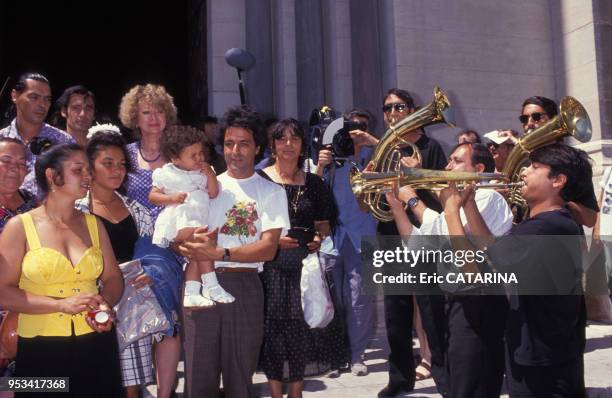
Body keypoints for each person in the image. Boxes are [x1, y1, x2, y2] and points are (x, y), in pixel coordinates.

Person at [441, 143, 592, 397]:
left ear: (558, 181)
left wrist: (450, 211)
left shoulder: (546, 227)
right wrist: (468, 205)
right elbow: (493, 247)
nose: (523, 172)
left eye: (534, 167)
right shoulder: (552, 223)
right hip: (543, 352)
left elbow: (478, 271)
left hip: (542, 362)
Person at [179, 106, 290, 398]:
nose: (235, 151)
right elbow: (178, 226)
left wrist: (219, 252)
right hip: (199, 285)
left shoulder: (271, 192)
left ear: (257, 148)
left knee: (239, 378)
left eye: (243, 143)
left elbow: (267, 249)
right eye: (229, 143)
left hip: (244, 285)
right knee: (198, 376)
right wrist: (183, 245)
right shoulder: (202, 184)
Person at [387, 143, 513, 398]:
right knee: (454, 377)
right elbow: (418, 243)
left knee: (472, 379)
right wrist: (397, 204)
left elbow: (461, 246)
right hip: (453, 298)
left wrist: (414, 198)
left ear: (477, 169)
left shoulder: (488, 196)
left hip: (479, 300)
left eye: (456, 161)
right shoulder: (452, 204)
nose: (447, 167)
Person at [0, 142, 124, 397]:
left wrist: (105, 304)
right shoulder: (19, 226)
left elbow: (113, 278)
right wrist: (60, 304)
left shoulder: (94, 224)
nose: (88, 176)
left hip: (97, 341)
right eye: (79, 170)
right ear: (52, 175)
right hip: (41, 347)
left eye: (89, 170)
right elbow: (2, 293)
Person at [259, 118, 348, 398]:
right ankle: (275, 393)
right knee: (273, 333)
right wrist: (271, 242)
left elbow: (323, 222)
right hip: (269, 265)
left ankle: (295, 393)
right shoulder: (259, 180)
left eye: (294, 139)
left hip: (304, 265)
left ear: (302, 146)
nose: (288, 145)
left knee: (300, 331)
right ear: (272, 145)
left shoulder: (315, 183)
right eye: (281, 139)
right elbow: (249, 222)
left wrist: (319, 238)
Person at [74, 126, 158, 398]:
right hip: (89, 302)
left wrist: (151, 273)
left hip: (133, 303)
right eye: (107, 163)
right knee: (93, 378)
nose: (116, 170)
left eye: (121, 164)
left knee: (131, 386)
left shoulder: (137, 211)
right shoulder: (76, 211)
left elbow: (154, 254)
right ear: (90, 167)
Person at [377, 88, 448, 398]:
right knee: (395, 314)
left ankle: (445, 376)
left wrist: (410, 177)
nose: (393, 113)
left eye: (399, 106)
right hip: (389, 235)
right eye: (388, 107)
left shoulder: (431, 147)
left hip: (422, 234)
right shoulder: (382, 147)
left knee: (433, 310)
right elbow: (370, 203)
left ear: (412, 110)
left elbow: (441, 193)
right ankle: (400, 378)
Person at [118, 83, 182, 397]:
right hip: (136, 251)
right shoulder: (125, 158)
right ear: (135, 117)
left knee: (169, 324)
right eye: (145, 112)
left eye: (158, 111)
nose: (153, 118)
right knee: (141, 323)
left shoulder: (180, 154)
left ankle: (166, 393)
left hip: (175, 250)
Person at [315, 107, 379, 377]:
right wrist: (320, 165)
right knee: (332, 298)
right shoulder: (330, 159)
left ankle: (357, 355)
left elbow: (401, 160)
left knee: (359, 299)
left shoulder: (371, 157)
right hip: (332, 237)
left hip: (362, 236)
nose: (355, 133)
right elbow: (310, 192)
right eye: (350, 129)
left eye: (361, 127)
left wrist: (373, 141)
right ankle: (335, 355)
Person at [147, 125, 229, 308]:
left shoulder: (205, 171)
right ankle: (212, 285)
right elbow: (153, 196)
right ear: (176, 158)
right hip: (180, 220)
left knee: (196, 255)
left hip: (199, 219)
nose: (200, 158)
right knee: (203, 246)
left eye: (201, 153)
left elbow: (213, 193)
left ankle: (192, 292)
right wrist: (171, 198)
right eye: (193, 156)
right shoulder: (167, 173)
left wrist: (210, 175)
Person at [519, 96, 598, 227]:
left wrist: (552, 199)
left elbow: (590, 219)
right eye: (524, 119)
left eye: (537, 116)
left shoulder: (571, 162)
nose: (530, 123)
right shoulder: (521, 160)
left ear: (552, 119)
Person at [0, 73, 74, 196]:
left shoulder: (63, 141)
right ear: (15, 96)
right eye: (34, 97)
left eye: (47, 99)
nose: (42, 104)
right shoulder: (2, 139)